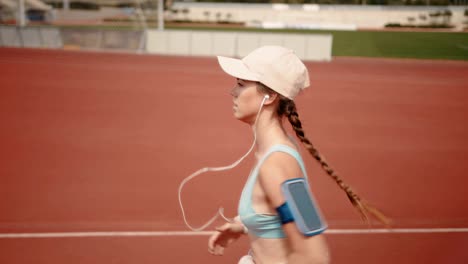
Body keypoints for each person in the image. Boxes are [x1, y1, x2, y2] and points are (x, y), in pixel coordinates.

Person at [206, 46, 390, 264]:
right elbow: (282, 214)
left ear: (270, 95)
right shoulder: (276, 151)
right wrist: (247, 225)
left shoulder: (276, 165)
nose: (232, 92)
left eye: (241, 84)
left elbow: (315, 256)